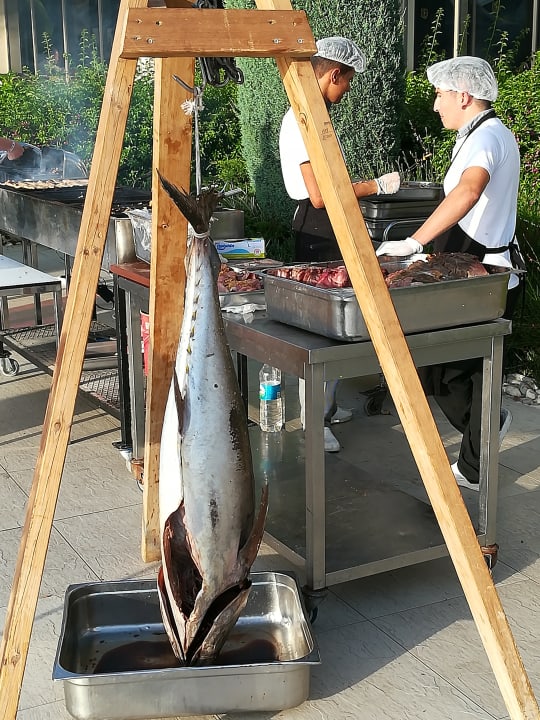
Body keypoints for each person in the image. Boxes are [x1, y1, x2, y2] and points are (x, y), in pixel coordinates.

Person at [376, 56, 523, 490]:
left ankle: (477, 459)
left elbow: (469, 191)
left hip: (484, 272)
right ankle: (482, 437)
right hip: (467, 268)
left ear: (464, 95)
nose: (435, 104)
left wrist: (414, 242)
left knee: (455, 367)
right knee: (450, 368)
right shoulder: (478, 134)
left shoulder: (488, 137)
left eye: (440, 95)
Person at [279, 36, 401, 452]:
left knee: (337, 324)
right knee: (322, 328)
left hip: (327, 225)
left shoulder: (316, 114)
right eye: (347, 80)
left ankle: (327, 407)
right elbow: (319, 195)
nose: (347, 89)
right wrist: (375, 186)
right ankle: (314, 422)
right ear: (333, 74)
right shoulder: (301, 120)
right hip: (316, 228)